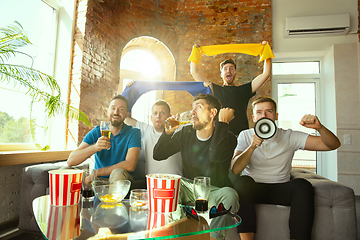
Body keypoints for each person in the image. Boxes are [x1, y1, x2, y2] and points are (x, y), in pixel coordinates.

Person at [231, 96, 341, 240]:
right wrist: (251, 147)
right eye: (259, 112)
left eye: (268, 111)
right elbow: (235, 169)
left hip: (280, 188)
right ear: (253, 117)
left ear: (276, 116)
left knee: (303, 185)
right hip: (253, 188)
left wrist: (319, 128)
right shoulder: (246, 136)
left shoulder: (289, 136)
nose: (264, 115)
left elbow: (332, 145)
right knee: (242, 182)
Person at [153, 93, 239, 240]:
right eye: (193, 108)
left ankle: (213, 238)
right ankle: (176, 235)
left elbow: (216, 156)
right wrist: (167, 134)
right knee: (171, 185)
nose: (193, 112)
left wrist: (223, 123)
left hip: (214, 190)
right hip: (189, 187)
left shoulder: (228, 137)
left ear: (213, 113)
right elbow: (158, 154)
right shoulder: (186, 133)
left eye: (199, 107)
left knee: (231, 195)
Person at [190, 41, 272, 136]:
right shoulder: (214, 89)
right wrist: (195, 53)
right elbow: (194, 72)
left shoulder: (244, 90)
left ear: (235, 73)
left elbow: (266, 74)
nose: (228, 70)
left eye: (231, 68)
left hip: (241, 136)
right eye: (225, 69)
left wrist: (266, 52)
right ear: (221, 74)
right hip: (219, 135)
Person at [67, 95, 141, 184]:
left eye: (121, 109)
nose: (116, 112)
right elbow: (70, 161)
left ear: (127, 114)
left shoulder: (133, 133)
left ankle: (112, 197)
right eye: (113, 108)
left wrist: (98, 172)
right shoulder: (97, 131)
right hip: (98, 180)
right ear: (108, 111)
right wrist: (95, 147)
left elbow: (130, 165)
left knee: (117, 172)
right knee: (65, 170)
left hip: (120, 180)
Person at [125, 99, 182, 175]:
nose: (158, 116)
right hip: (152, 182)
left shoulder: (178, 129)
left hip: (175, 182)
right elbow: (126, 119)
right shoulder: (146, 130)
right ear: (151, 118)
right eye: (155, 113)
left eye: (162, 113)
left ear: (170, 116)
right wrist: (129, 92)